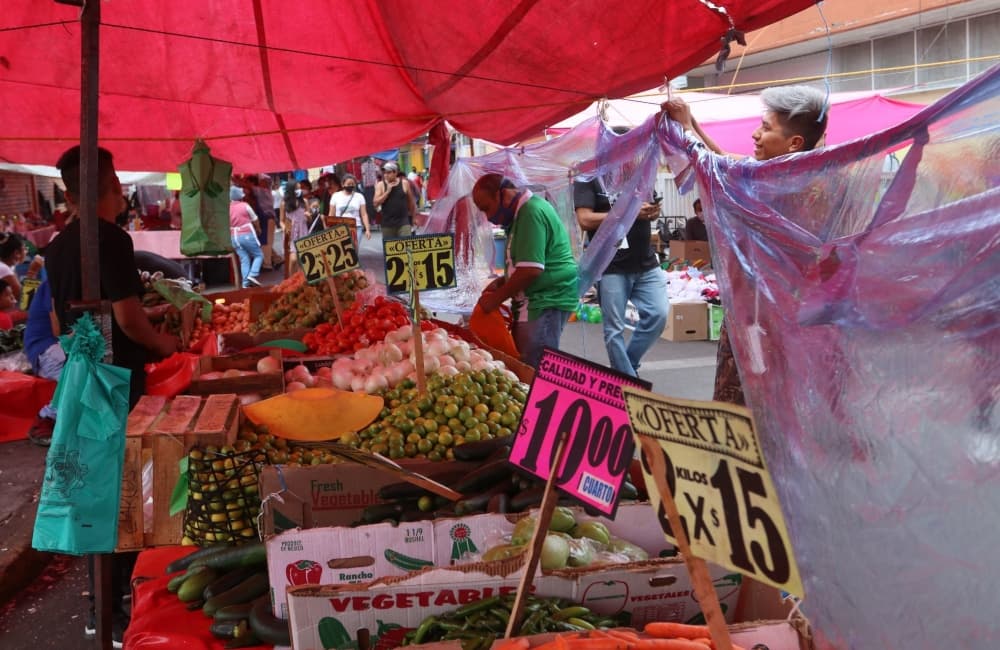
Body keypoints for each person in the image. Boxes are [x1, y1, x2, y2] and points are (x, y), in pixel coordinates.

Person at [49, 145, 181, 646]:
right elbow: (128, 318)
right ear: (112, 186)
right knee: (128, 491)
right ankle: (124, 605)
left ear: (66, 193)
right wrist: (161, 341)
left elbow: (60, 323)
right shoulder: (114, 240)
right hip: (120, 385)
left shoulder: (58, 247)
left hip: (82, 381)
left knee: (94, 491)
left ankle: (96, 606)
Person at [663, 85, 828, 406]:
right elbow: (725, 163)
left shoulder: (777, 183)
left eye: (766, 129)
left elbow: (714, 167)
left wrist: (684, 129)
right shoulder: (808, 175)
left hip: (760, 318)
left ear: (794, 142)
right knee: (774, 397)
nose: (755, 134)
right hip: (780, 312)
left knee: (749, 399)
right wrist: (692, 124)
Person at [472, 174, 578, 368]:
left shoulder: (531, 212)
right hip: (537, 301)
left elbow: (530, 270)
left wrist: (495, 300)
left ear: (501, 195)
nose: (488, 217)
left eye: (486, 208)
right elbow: (525, 264)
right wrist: (504, 281)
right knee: (527, 365)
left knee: (533, 369)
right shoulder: (522, 214)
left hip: (545, 301)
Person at [574, 177, 667, 377]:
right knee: (614, 329)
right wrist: (628, 213)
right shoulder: (589, 177)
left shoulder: (640, 172)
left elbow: (649, 210)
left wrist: (652, 212)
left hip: (645, 261)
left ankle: (626, 368)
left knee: (659, 315)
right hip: (610, 265)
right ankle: (628, 381)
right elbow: (585, 219)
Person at [23, 279, 61, 446]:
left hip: (57, 345)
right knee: (78, 374)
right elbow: (58, 331)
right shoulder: (52, 285)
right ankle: (46, 417)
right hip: (44, 347)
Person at [229, 185, 264, 287]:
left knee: (244, 259)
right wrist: (258, 228)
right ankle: (253, 274)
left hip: (234, 237)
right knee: (259, 255)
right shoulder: (245, 205)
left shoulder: (227, 209)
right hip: (246, 234)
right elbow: (255, 219)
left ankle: (245, 284)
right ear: (240, 196)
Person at [373, 162, 416, 238]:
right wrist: (387, 192)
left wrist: (413, 218)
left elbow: (411, 202)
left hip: (403, 222)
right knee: (390, 248)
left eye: (389, 173)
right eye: (384, 173)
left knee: (405, 247)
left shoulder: (404, 183)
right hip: (387, 224)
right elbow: (375, 203)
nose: (386, 175)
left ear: (395, 172)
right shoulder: (381, 185)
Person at [328, 173, 371, 243]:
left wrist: (367, 229)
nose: (350, 186)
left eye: (352, 184)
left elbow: (364, 214)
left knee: (354, 250)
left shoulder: (360, 196)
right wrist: (330, 230)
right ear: (343, 184)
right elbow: (331, 214)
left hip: (356, 227)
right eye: (348, 184)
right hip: (340, 228)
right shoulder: (335, 196)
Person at [282, 180, 309, 274]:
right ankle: (291, 280)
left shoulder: (304, 202)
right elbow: (281, 221)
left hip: (303, 230)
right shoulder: (284, 203)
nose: (299, 190)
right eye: (297, 188)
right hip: (292, 232)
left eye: (300, 188)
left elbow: (309, 219)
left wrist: (308, 216)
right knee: (293, 259)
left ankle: (300, 281)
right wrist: (285, 228)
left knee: (302, 259)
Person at [0, 232, 27, 301]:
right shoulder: (3, 269)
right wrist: (33, 272)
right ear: (16, 253)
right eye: (25, 249)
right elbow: (24, 301)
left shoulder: (8, 266)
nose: (26, 252)